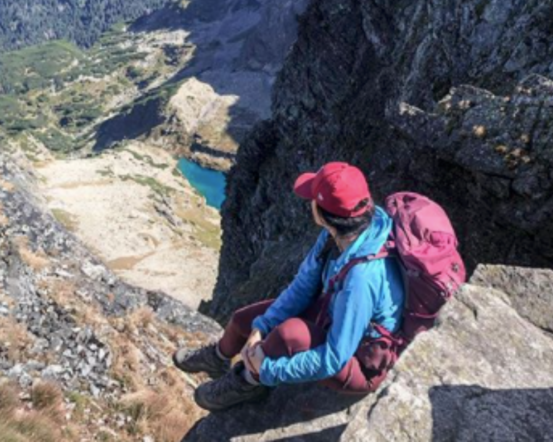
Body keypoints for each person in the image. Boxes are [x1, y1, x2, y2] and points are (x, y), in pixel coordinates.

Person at [173, 161, 406, 412]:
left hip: (359, 360)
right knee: (244, 320)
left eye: (313, 200)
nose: (309, 204)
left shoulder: (363, 278)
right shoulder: (340, 232)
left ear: (323, 213)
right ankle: (217, 358)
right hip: (334, 314)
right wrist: (261, 327)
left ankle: (248, 383)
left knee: (287, 334)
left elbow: (335, 358)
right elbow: (302, 287)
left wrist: (269, 369)